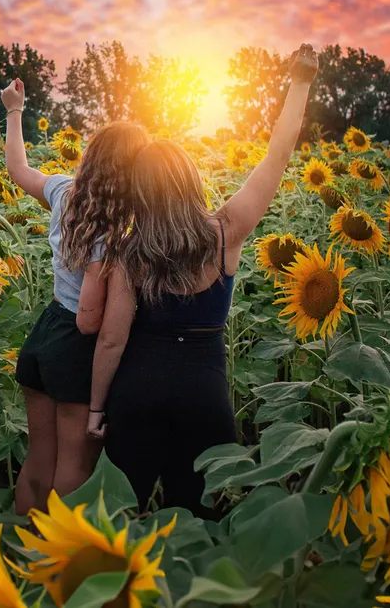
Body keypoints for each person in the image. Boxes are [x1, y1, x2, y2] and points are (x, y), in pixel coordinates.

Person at [87, 44, 319, 516]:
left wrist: (95, 410)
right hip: (203, 394)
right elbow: (277, 156)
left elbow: (112, 340)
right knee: (202, 519)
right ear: (190, 180)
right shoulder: (225, 232)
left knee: (120, 516)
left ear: (140, 193)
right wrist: (300, 83)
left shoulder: (131, 251)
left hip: (138, 390)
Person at [0, 77, 148, 514]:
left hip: (44, 334)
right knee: (74, 471)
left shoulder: (65, 191)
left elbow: (18, 170)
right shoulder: (114, 229)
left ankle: (20, 547)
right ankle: (54, 558)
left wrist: (14, 111)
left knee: (39, 461)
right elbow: (88, 319)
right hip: (74, 347)